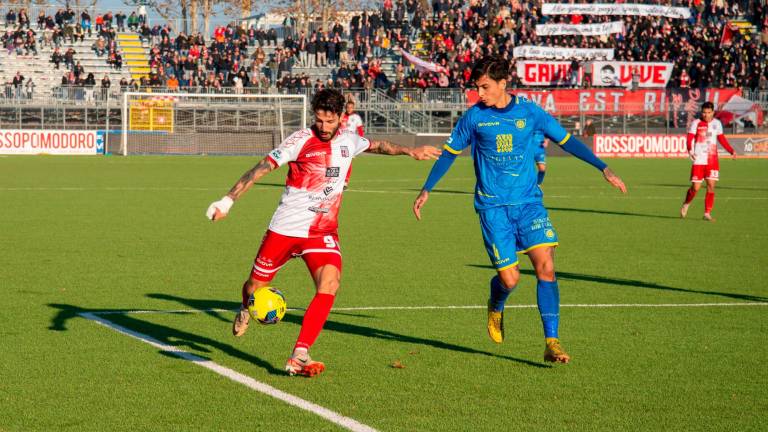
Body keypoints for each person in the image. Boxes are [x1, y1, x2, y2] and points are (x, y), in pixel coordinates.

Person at [205, 88, 440, 377]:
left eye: (330, 121)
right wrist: (227, 200)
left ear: (342, 117)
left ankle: (300, 354)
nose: (324, 127)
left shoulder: (349, 140)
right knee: (254, 286)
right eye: (319, 120)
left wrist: (410, 151)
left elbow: (378, 145)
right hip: (285, 230)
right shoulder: (300, 140)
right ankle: (244, 307)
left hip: (322, 231)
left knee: (330, 283)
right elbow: (261, 168)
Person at [412, 57, 626, 364]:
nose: (479, 93)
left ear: (502, 84)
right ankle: (496, 304)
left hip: (528, 205)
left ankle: (552, 341)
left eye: (484, 87)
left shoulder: (530, 111)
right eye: (476, 87)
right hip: (493, 208)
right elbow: (448, 155)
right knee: (510, 280)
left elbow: (566, 141)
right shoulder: (474, 118)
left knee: (546, 267)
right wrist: (427, 188)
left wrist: (602, 167)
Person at [680, 101, 736, 221]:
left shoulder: (717, 124)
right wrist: (690, 150)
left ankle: (707, 213)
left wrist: (731, 151)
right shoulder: (696, 123)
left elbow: (721, 139)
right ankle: (686, 203)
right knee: (695, 187)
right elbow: (689, 139)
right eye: (704, 112)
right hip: (699, 160)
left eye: (709, 112)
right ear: (702, 112)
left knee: (711, 186)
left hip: (712, 160)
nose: (706, 115)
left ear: (713, 112)